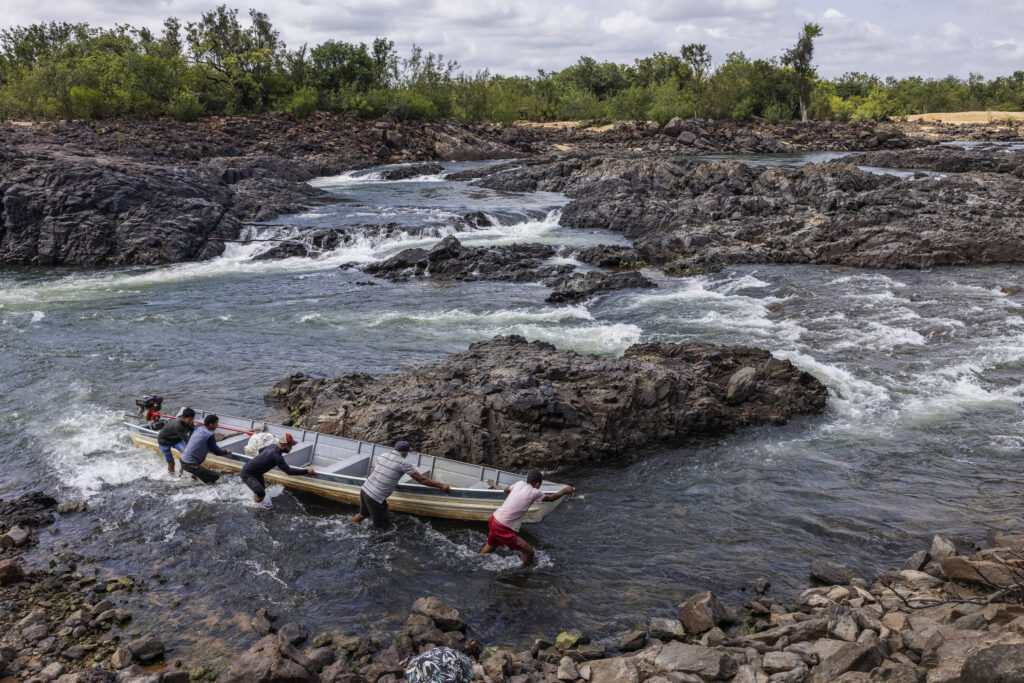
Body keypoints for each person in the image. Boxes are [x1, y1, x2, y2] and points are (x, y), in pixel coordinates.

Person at [350, 440, 451, 532]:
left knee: (363, 514)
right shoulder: (404, 463)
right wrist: (441, 485)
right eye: (407, 452)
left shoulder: (384, 455)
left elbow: (373, 470)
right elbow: (422, 479)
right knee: (387, 528)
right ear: (404, 452)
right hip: (375, 497)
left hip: (365, 489)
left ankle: (349, 526)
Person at [479, 470, 573, 565]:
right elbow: (552, 498)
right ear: (537, 484)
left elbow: (506, 490)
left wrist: (510, 492)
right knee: (529, 552)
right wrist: (564, 490)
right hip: (502, 527)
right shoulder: (535, 492)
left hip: (494, 519)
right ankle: (522, 570)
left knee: (492, 545)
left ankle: (479, 557)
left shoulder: (519, 483)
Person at [240, 433, 316, 503]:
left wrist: (263, 461)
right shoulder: (277, 457)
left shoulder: (272, 446)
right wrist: (307, 471)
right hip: (248, 473)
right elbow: (289, 471)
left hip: (257, 472)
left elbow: (260, 450)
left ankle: (254, 496)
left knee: (262, 489)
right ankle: (252, 506)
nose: (291, 447)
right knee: (261, 494)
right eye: (290, 446)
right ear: (283, 446)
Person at [179, 414, 233, 484]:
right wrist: (226, 451)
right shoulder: (210, 435)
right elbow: (217, 452)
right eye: (216, 423)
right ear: (211, 424)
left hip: (183, 460)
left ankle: (195, 478)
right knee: (216, 476)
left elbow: (201, 444)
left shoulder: (199, 429)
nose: (217, 425)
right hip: (190, 464)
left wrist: (213, 447)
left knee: (204, 475)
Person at [156, 408, 195, 475]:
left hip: (176, 439)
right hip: (164, 441)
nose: (191, 421)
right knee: (171, 462)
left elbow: (191, 437)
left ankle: (180, 473)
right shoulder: (178, 426)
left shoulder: (191, 424)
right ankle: (172, 477)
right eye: (189, 419)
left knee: (186, 454)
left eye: (192, 419)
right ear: (183, 418)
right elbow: (187, 441)